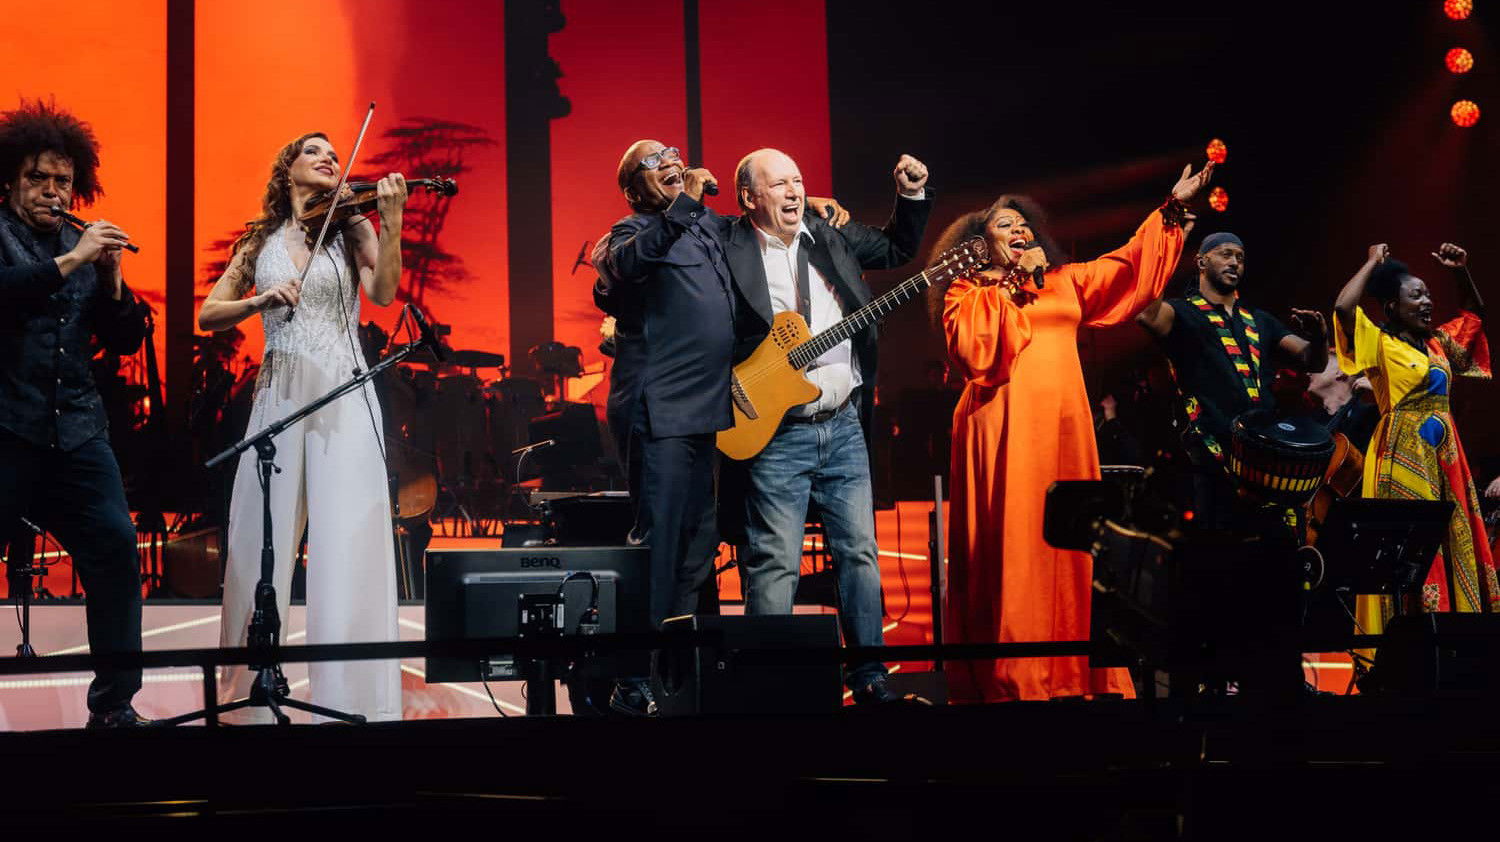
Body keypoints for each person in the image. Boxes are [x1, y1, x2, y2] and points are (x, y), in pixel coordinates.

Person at [931, 161, 1212, 702]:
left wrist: (1173, 206)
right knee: (1014, 543)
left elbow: (1126, 265)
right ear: (980, 243)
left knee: (1069, 540)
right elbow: (973, 352)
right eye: (1004, 226)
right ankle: (1015, 675)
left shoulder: (1065, 281)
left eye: (1024, 225)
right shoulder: (968, 289)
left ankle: (1072, 673)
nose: (1019, 231)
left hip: (1062, 428)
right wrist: (1011, 283)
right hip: (1003, 428)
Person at [198, 132, 409, 722]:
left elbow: (383, 293)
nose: (329, 159)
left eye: (335, 154)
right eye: (313, 151)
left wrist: (391, 223)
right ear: (286, 167)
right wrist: (259, 301)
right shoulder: (259, 240)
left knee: (349, 541)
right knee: (256, 544)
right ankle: (247, 703)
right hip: (279, 393)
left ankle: (353, 700)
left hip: (343, 388)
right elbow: (210, 313)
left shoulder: (351, 226)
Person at [722, 148, 933, 704]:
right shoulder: (728, 245)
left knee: (859, 553)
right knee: (775, 563)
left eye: (798, 180)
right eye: (779, 184)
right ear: (749, 198)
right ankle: (768, 684)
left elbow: (896, 248)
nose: (794, 191)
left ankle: (869, 676)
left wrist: (911, 194)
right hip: (776, 432)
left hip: (843, 427)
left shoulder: (828, 233)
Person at [0, 98, 149, 727]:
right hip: (6, 427)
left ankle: (114, 706)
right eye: (37, 177)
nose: (52, 191)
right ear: (10, 180)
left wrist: (111, 280)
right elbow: (11, 291)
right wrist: (76, 259)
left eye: (62, 181)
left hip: (79, 430)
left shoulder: (79, 245)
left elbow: (124, 340)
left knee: (116, 545)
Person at [591, 139, 734, 715]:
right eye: (653, 162)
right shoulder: (625, 233)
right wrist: (683, 204)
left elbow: (751, 241)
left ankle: (677, 672)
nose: (670, 162)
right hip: (659, 407)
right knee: (659, 544)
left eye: (672, 152)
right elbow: (627, 266)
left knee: (698, 547)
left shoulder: (702, 228)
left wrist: (808, 210)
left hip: (707, 409)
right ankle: (632, 679)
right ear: (633, 191)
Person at [1332, 242, 1497, 624]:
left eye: (1428, 296)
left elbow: (1474, 316)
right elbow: (1343, 308)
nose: (1427, 303)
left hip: (1445, 458)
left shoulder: (1437, 343)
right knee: (1406, 548)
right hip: (1401, 458)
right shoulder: (1378, 342)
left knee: (1448, 536)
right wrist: (1372, 262)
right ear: (1392, 306)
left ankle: (1450, 634)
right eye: (1416, 296)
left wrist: (1460, 271)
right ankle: (1404, 634)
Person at [1136, 232, 1329, 528]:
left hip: (1263, 460)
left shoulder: (1259, 319)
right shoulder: (1182, 312)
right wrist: (1169, 246)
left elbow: (1313, 361)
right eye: (1225, 254)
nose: (1235, 262)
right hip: (1211, 458)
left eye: (1240, 257)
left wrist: (1319, 337)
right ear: (1201, 262)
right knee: (1220, 547)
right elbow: (1147, 316)